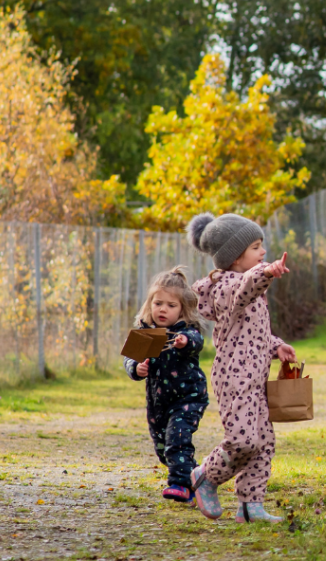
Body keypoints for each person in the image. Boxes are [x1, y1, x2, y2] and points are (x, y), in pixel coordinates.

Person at [187, 212, 297, 523]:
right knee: (243, 439)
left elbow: (254, 331)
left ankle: (251, 506)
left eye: (262, 247)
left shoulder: (249, 288)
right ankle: (205, 475)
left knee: (263, 441)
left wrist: (275, 345)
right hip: (234, 378)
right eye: (256, 247)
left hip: (256, 376)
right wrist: (268, 272)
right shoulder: (227, 286)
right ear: (235, 258)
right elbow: (246, 287)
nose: (263, 252)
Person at [124, 267, 209, 502]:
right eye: (158, 303)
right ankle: (198, 477)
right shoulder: (146, 332)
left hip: (188, 398)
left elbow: (197, 341)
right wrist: (136, 368)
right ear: (150, 303)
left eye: (171, 306)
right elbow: (130, 358)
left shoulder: (185, 331)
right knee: (164, 449)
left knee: (177, 439)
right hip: (158, 402)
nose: (163, 309)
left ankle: (180, 485)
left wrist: (185, 342)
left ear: (182, 309)